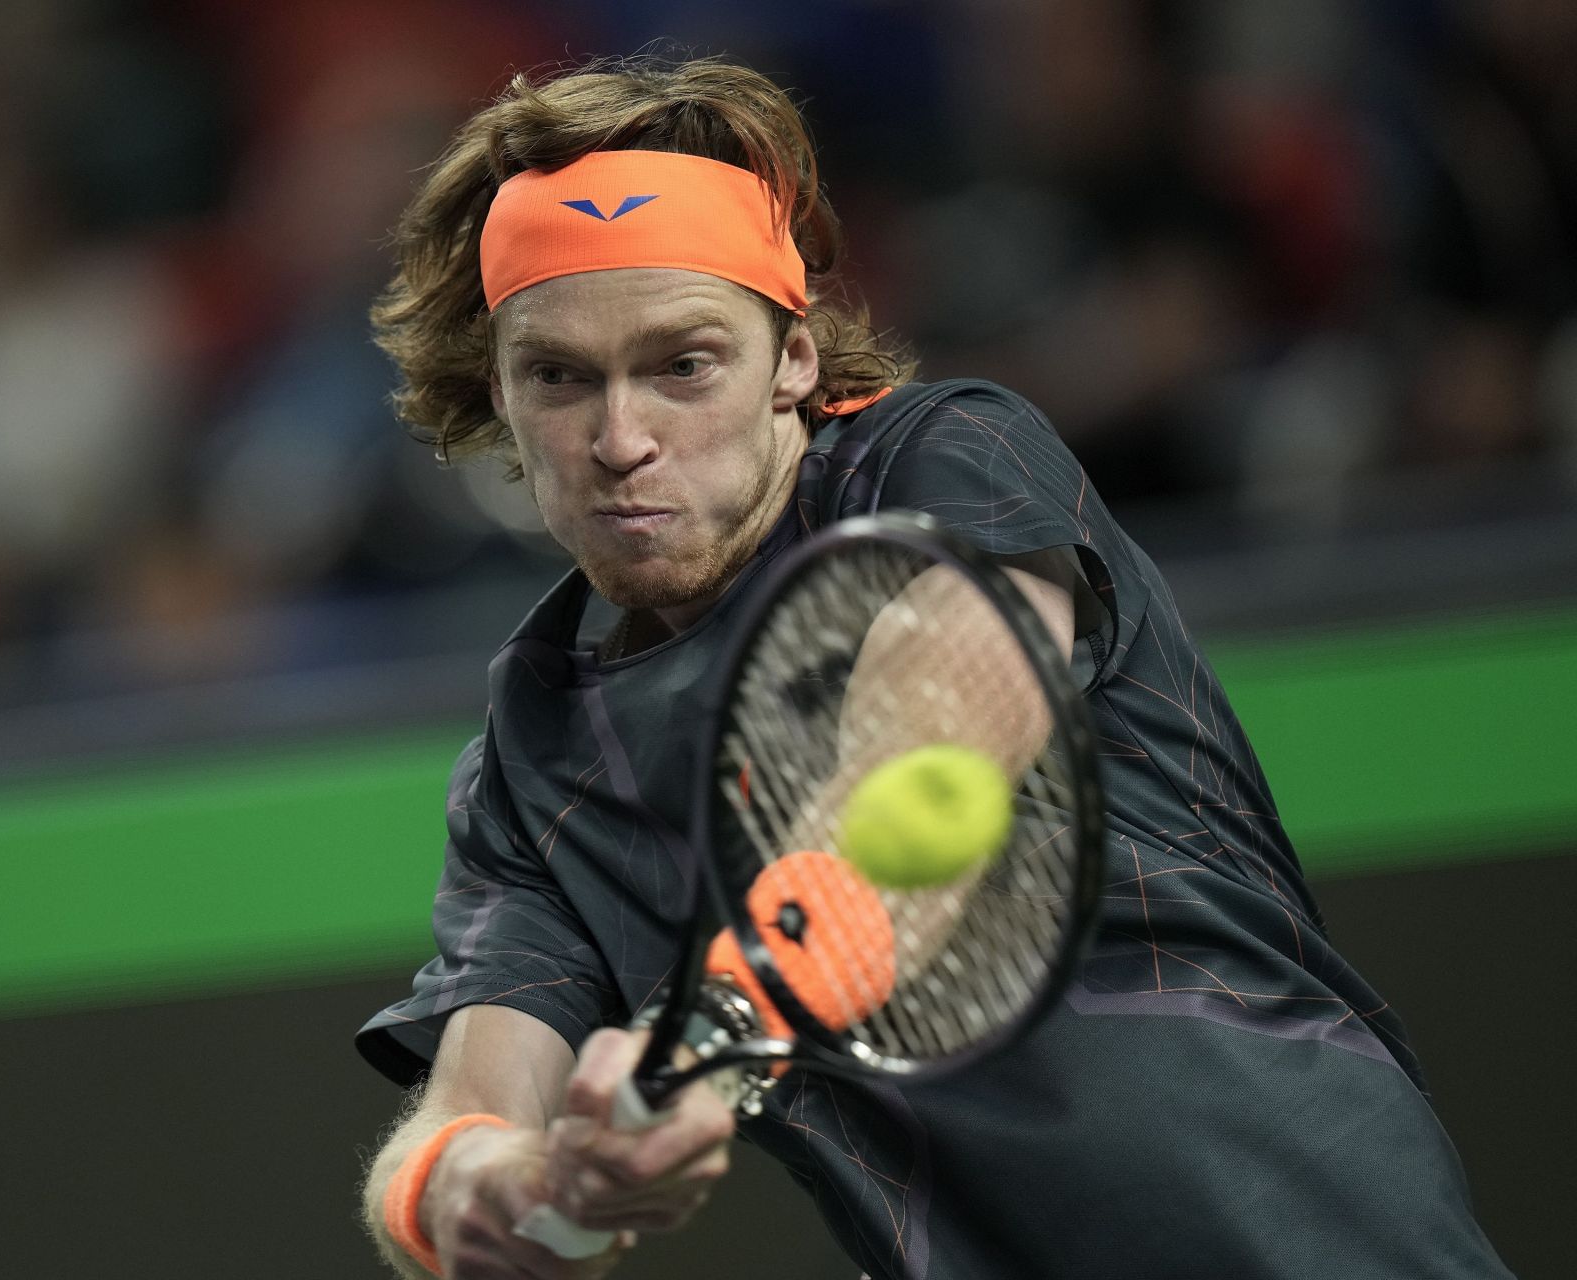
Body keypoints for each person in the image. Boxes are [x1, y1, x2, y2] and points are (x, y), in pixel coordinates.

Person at [353, 57, 1512, 1280]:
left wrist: (712, 1038)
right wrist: (512, 1190)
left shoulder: (945, 455)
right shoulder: (535, 755)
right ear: (501, 389)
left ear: (793, 359)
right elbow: (456, 1121)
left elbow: (932, 771)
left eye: (684, 363)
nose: (622, 438)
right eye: (559, 377)